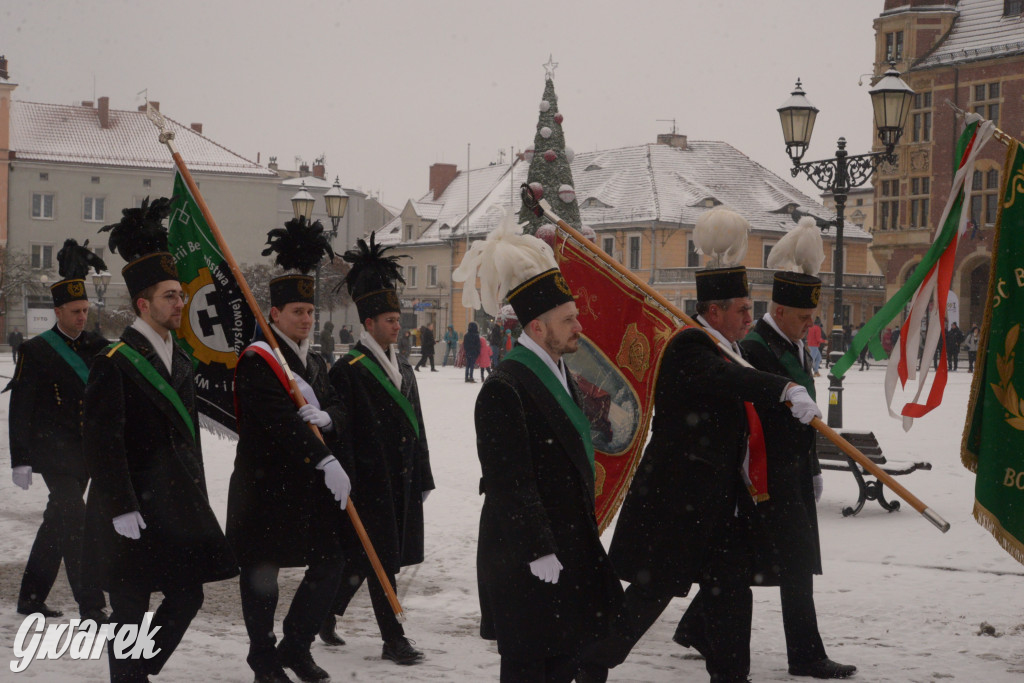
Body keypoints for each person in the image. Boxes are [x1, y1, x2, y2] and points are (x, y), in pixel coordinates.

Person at [586, 210, 822, 683]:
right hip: (676, 504)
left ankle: (731, 676)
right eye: (741, 309)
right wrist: (783, 388)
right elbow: (730, 379)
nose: (749, 317)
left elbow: (739, 379)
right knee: (649, 598)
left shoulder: (726, 346)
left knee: (732, 594)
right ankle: (589, 664)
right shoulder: (689, 347)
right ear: (713, 311)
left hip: (719, 510)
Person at [453, 210, 622, 682]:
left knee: (572, 661)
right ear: (538, 328)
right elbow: (510, 480)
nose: (579, 327)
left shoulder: (562, 374)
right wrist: (538, 549)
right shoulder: (505, 387)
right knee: (532, 669)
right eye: (568, 320)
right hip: (528, 560)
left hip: (568, 548)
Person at [83, 198, 238, 683]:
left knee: (187, 594)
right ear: (143, 304)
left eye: (180, 294)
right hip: (130, 509)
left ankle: (139, 666)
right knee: (129, 607)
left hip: (174, 506)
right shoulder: (115, 361)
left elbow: (187, 442)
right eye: (171, 296)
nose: (181, 303)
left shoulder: (182, 360)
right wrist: (121, 505)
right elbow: (102, 442)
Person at [708, 269, 855, 680]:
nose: (812, 325)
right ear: (779, 310)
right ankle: (805, 655)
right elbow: (757, 413)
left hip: (794, 471)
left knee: (772, 560)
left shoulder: (790, 343)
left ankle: (698, 629)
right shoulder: (755, 349)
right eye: (805, 317)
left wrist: (812, 468)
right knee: (794, 562)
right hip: (767, 473)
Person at [228, 217, 349, 683]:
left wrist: (330, 419)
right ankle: (263, 659)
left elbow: (338, 402)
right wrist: (323, 455)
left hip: (308, 489)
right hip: (264, 488)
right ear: (274, 315)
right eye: (296, 311)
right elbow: (279, 422)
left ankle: (296, 647)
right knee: (263, 577)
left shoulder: (314, 359)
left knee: (331, 562)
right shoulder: (260, 361)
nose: (305, 318)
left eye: (309, 311)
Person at [321, 233, 433, 665]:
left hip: (402, 479)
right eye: (388, 320)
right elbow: (342, 430)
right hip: (368, 481)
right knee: (381, 559)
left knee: (364, 556)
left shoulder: (404, 367)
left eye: (397, 319)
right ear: (368, 324)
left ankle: (327, 614)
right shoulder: (347, 369)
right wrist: (348, 480)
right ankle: (393, 638)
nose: (396, 326)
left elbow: (418, 426)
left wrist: (423, 475)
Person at [6, 239, 109, 623]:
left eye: (86, 310)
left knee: (58, 521)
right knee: (76, 521)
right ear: (58, 311)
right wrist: (21, 460)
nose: (83, 317)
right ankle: (92, 604)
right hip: (53, 453)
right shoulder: (37, 351)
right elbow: (21, 410)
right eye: (76, 311)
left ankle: (31, 596)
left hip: (86, 453)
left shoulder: (99, 347)